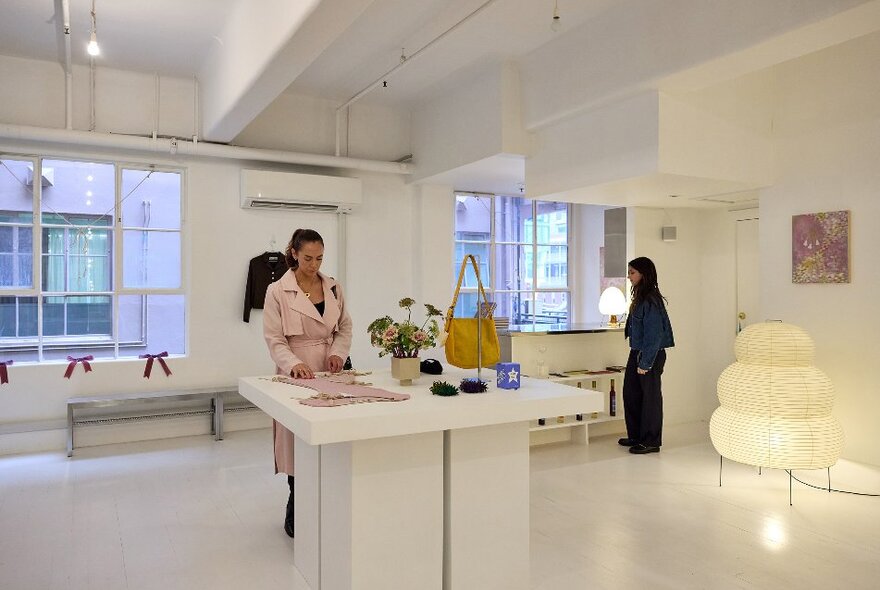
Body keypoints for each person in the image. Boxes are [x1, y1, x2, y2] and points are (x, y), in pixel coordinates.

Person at [263, 228, 353, 537]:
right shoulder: (277, 290)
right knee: (298, 442)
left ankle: (329, 509)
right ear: (293, 253)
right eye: (307, 258)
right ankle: (296, 511)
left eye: (319, 258)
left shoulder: (334, 288)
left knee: (331, 440)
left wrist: (339, 353)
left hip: (331, 369)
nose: (314, 265)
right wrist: (294, 364)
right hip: (295, 372)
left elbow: (344, 327)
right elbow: (274, 339)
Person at [619, 256, 674, 455]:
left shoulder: (651, 299)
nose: (629, 276)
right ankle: (636, 435)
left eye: (632, 272)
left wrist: (646, 362)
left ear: (644, 274)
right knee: (631, 394)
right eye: (629, 272)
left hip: (649, 354)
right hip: (637, 352)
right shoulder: (641, 297)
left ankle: (650, 441)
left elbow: (654, 334)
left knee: (650, 398)